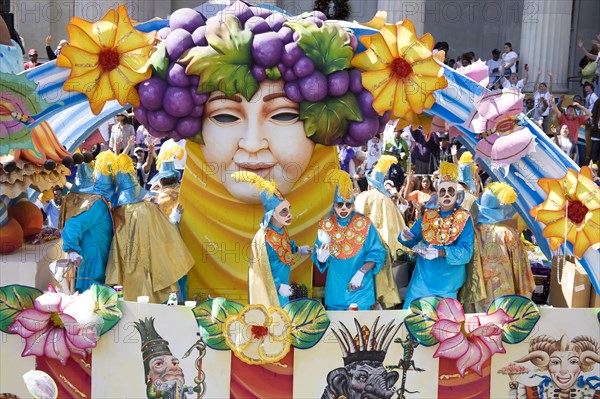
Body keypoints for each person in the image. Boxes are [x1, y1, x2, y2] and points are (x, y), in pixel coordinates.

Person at [105, 153, 194, 303]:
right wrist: (173, 220)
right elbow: (166, 231)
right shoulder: (150, 206)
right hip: (157, 258)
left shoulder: (117, 211)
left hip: (129, 267)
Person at [398, 161, 474, 309]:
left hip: (448, 283)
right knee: (412, 318)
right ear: (437, 195)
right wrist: (405, 236)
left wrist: (440, 253)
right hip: (422, 279)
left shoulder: (464, 219)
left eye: (451, 191)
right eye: (443, 192)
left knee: (443, 325)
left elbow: (466, 253)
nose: (446, 195)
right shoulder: (428, 216)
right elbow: (412, 238)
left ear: (457, 195)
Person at [233, 171, 311, 307]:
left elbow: (283, 247)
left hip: (284, 293)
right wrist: (278, 286)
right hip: (271, 295)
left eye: (289, 209)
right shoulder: (263, 239)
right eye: (283, 211)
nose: (289, 214)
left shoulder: (282, 230)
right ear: (272, 214)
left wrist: (297, 249)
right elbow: (261, 270)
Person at [313, 170, 387, 310]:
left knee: (361, 330)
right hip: (336, 292)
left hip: (361, 289)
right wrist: (321, 259)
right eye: (339, 204)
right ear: (334, 204)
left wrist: (361, 272)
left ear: (353, 204)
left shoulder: (365, 224)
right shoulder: (325, 225)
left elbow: (377, 253)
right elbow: (318, 255)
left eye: (348, 204)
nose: (344, 208)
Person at [473, 183, 534, 312]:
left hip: (478, 294)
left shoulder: (472, 233)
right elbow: (521, 268)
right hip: (504, 296)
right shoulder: (508, 233)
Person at [355, 155, 407, 308]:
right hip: (381, 249)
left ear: (371, 184)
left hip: (362, 247)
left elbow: (356, 218)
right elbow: (396, 228)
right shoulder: (387, 201)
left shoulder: (363, 196)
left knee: (363, 284)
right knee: (381, 287)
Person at [61, 151, 115, 292]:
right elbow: (73, 224)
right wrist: (72, 249)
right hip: (93, 269)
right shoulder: (97, 204)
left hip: (98, 264)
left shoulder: (98, 202)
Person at [133, 317, 193, 399]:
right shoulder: (153, 385)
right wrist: (161, 393)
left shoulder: (177, 384)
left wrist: (193, 389)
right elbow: (151, 395)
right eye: (158, 364)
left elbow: (183, 389)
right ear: (148, 374)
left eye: (174, 363)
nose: (173, 368)